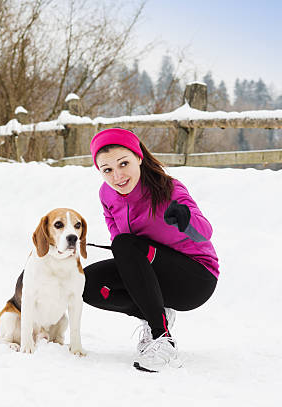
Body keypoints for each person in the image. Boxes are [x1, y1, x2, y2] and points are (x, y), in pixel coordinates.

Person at [83, 128, 219, 372]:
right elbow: (118, 239)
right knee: (86, 284)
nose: (117, 176)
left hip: (195, 279)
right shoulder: (106, 194)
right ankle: (156, 314)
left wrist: (185, 220)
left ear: (138, 157)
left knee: (125, 243)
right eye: (107, 170)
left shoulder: (168, 189)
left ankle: (162, 338)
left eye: (123, 163)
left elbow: (204, 233)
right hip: (148, 269)